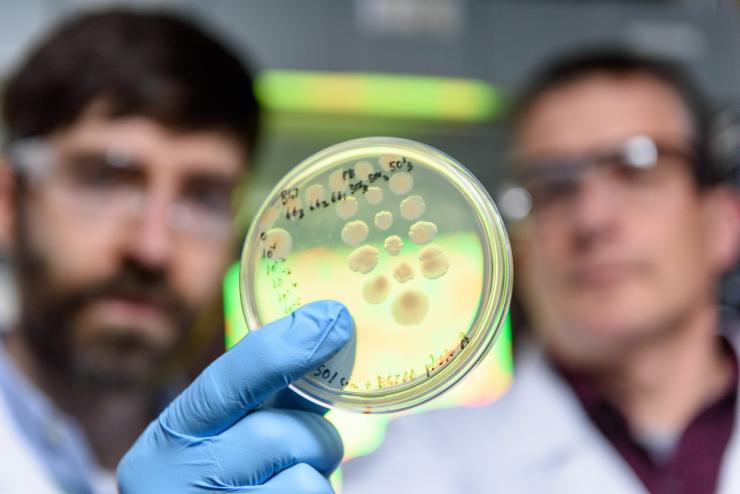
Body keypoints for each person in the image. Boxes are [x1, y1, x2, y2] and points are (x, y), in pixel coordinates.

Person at [337, 51, 740, 493]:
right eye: (553, 189)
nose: (591, 217)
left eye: (635, 172)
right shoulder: (421, 463)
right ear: (520, 250)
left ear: (722, 223)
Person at [0, 8, 350, 494]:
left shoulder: (263, 469)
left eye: (203, 197)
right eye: (105, 180)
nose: (152, 247)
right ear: (8, 201)